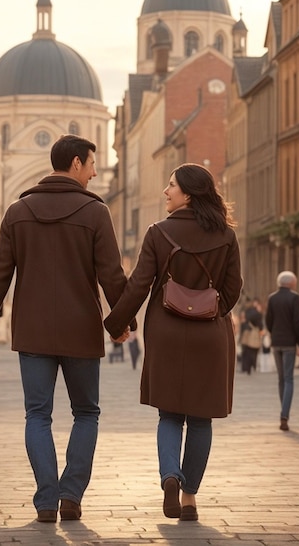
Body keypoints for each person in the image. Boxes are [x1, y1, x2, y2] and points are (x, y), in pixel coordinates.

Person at [0, 134, 132, 524]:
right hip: (81, 330)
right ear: (76, 164)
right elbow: (111, 275)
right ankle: (71, 494)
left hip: (34, 332)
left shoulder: (17, 211)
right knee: (86, 413)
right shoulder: (96, 213)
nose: (95, 172)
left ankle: (46, 501)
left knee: (37, 415)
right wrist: (121, 323)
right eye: (92, 164)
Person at [104, 163, 243, 522]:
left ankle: (169, 474)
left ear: (189, 194)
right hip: (210, 335)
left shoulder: (158, 233)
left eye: (171, 186)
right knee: (201, 419)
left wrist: (116, 324)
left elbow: (138, 285)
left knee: (169, 414)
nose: (166, 192)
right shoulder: (226, 235)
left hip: (166, 331)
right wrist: (210, 310)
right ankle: (189, 498)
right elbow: (233, 289)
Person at [265, 271, 299, 432]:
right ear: (291, 283)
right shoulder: (294, 298)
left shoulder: (272, 298)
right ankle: (284, 415)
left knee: (281, 379)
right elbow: (297, 322)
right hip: (289, 343)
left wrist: (274, 333)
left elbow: (268, 321)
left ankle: (283, 412)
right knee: (289, 379)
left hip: (276, 343)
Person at [239, 298, 264, 374]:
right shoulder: (257, 313)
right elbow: (260, 324)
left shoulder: (246, 312)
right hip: (253, 333)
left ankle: (245, 367)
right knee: (253, 350)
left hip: (246, 332)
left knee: (246, 351)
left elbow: (243, 322)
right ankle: (253, 366)